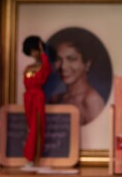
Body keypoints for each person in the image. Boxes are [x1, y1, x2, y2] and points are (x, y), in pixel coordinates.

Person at [48, 29, 108, 126]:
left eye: (71, 59)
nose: (63, 66)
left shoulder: (91, 101)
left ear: (87, 64)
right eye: (58, 59)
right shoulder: (56, 98)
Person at [22, 35, 50, 163]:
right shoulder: (28, 68)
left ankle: (33, 157)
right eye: (32, 51)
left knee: (37, 126)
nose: (34, 53)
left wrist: (43, 52)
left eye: (36, 50)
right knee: (30, 127)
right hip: (28, 98)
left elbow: (46, 69)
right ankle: (30, 157)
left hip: (38, 98)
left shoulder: (43, 67)